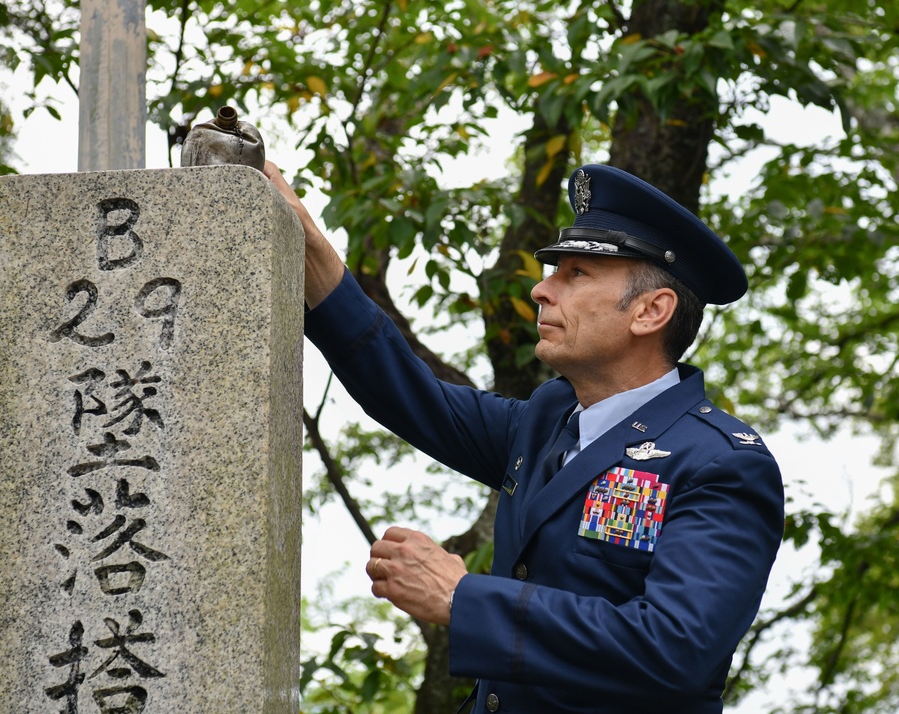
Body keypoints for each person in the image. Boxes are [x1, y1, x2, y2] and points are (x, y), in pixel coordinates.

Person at [264, 160, 784, 713]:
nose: (541, 289)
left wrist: (463, 598)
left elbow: (675, 650)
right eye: (552, 270)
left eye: (576, 274)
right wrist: (314, 256)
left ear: (652, 311)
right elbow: (412, 396)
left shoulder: (719, 462)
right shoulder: (548, 418)